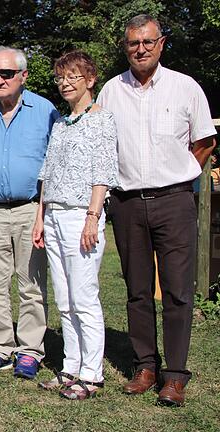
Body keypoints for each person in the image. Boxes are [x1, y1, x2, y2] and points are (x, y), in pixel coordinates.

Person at [97, 14, 216, 406]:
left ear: (161, 43)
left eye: (148, 42)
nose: (141, 49)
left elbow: (203, 143)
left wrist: (176, 174)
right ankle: (145, 365)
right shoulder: (111, 92)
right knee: (137, 290)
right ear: (125, 46)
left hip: (174, 201)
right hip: (128, 203)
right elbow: (100, 147)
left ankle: (175, 375)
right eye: (134, 43)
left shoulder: (186, 88)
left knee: (179, 291)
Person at [0, 46, 59, 379]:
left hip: (30, 209)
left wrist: (42, 215)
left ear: (23, 76)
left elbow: (52, 168)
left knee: (31, 285)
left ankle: (31, 350)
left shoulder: (45, 111)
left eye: (7, 74)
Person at [32, 50, 118, 399]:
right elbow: (47, 175)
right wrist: (40, 217)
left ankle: (91, 373)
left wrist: (92, 217)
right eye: (61, 77)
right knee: (64, 299)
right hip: (53, 215)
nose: (65, 83)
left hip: (82, 215)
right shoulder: (61, 123)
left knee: (84, 296)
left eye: (73, 77)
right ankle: (71, 366)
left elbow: (104, 171)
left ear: (90, 79)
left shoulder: (102, 120)